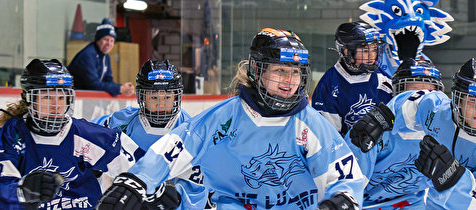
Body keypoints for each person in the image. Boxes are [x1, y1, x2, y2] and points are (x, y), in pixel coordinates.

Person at [96, 28, 366, 210]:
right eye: (281, 70)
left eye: (295, 72)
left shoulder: (309, 123)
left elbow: (341, 172)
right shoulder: (223, 117)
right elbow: (172, 150)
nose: (289, 81)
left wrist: (343, 198)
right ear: (258, 71)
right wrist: (135, 182)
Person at [348, 58, 476, 209]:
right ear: (457, 100)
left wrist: (451, 176)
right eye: (472, 101)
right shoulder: (437, 110)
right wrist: (382, 117)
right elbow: (409, 102)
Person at [0, 59, 137, 209]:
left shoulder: (88, 136)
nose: (56, 106)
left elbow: (137, 174)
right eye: (47, 97)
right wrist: (23, 192)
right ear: (28, 99)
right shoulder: (11, 136)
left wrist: (130, 194)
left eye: (61, 97)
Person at [92, 60, 208, 209]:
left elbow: (196, 190)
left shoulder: (190, 133)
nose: (160, 104)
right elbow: (86, 136)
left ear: (176, 97)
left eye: (167, 97)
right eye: (153, 97)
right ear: (142, 97)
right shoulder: (121, 122)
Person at [312, 21, 392, 135]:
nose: (371, 56)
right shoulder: (329, 84)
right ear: (347, 51)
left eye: (374, 49)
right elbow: (329, 137)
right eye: (365, 50)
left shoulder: (383, 79)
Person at [68, 18, 134, 96]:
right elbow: (93, 84)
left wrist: (123, 87)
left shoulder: (106, 56)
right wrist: (119, 88)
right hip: (73, 98)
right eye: (106, 39)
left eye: (112, 41)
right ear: (98, 40)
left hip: (88, 99)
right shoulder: (87, 55)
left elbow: (108, 80)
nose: (109, 44)